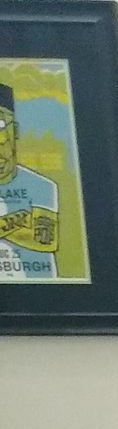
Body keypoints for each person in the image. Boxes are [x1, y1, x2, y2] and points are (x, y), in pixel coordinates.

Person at [0, 83, 62, 282]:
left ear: (15, 131)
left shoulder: (41, 186)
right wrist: (20, 221)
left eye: (1, 125)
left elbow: (44, 240)